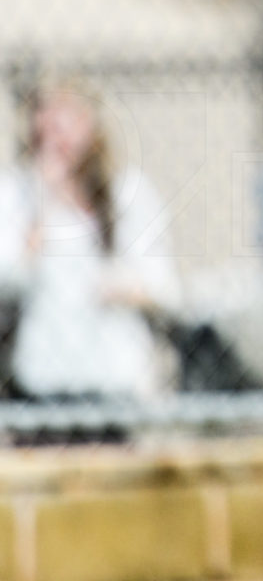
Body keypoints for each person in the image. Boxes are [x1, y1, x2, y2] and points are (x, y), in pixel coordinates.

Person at [0, 81, 182, 441]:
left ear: (90, 126)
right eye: (44, 124)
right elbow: (9, 277)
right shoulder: (16, 193)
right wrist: (43, 203)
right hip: (40, 379)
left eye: (63, 123)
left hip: (111, 378)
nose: (52, 138)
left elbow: (165, 287)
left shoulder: (126, 193)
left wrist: (120, 286)